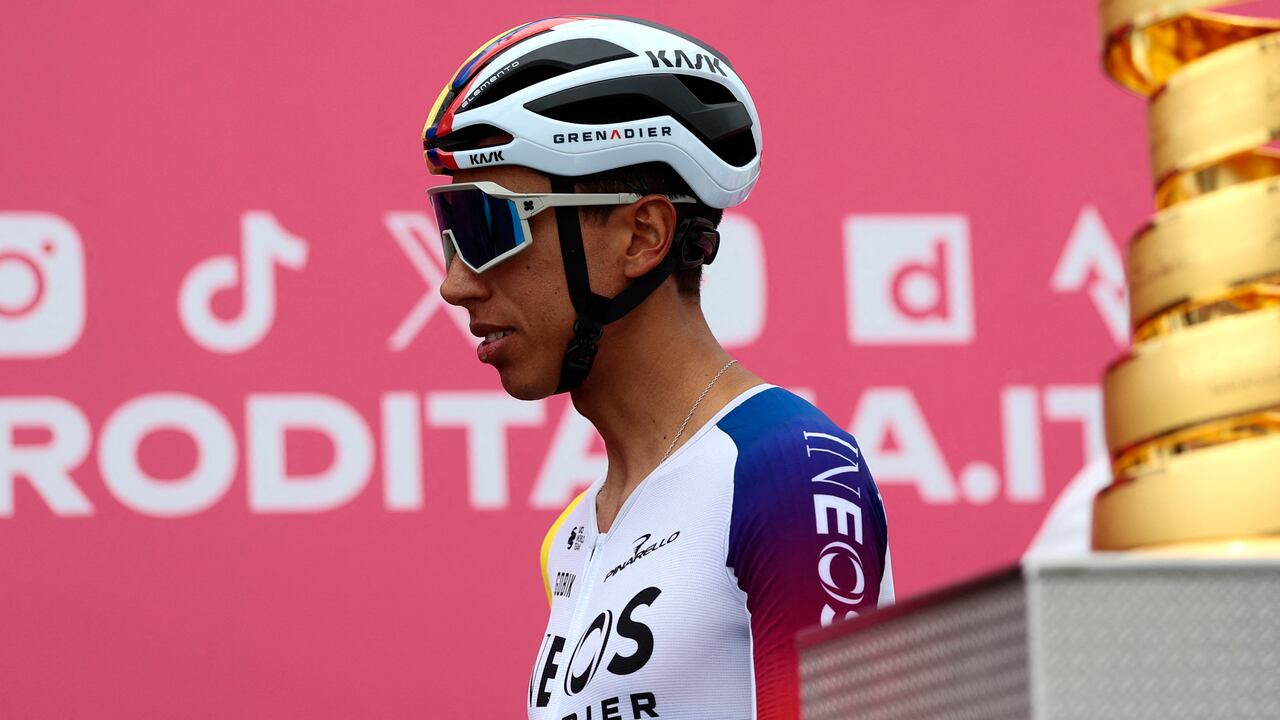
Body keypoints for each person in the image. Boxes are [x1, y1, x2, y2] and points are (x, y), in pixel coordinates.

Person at [422, 15, 894, 720]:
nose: (455, 284)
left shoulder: (787, 470)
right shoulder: (574, 537)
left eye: (489, 228)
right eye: (448, 230)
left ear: (641, 235)